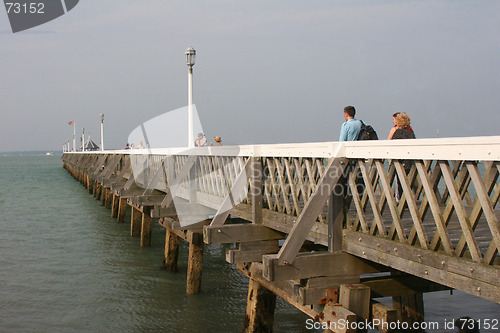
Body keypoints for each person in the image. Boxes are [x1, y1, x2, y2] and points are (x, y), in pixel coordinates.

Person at [391, 112, 416, 202]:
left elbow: (393, 144)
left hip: (400, 160)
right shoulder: (410, 132)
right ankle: (408, 200)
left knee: (400, 181)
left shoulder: (398, 132)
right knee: (408, 181)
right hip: (410, 160)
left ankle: (401, 200)